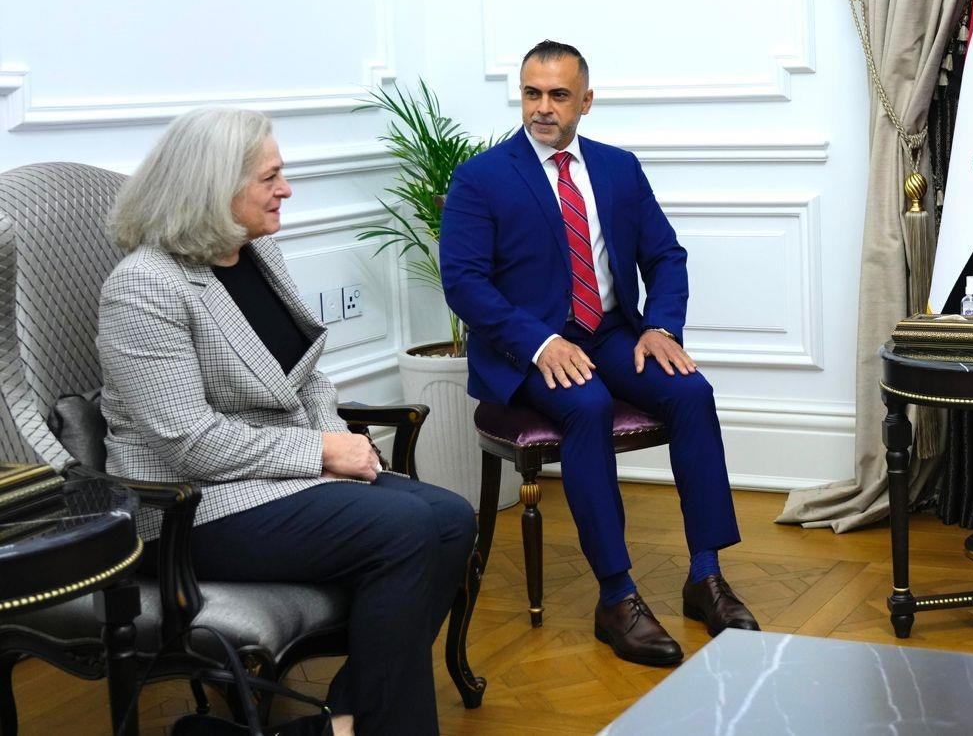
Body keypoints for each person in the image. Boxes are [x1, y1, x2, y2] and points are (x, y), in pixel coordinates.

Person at [98, 107, 476, 736]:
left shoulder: (256, 252)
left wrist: (337, 439)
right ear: (214, 188)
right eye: (269, 177)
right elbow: (190, 441)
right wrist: (321, 452)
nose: (287, 189)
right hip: (190, 509)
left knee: (452, 518)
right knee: (408, 526)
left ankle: (345, 722)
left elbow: (308, 375)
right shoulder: (144, 287)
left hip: (275, 478)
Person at [440, 40, 756, 667]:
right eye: (532, 93)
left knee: (691, 392)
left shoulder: (618, 168)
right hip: (529, 347)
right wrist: (538, 342)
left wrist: (660, 326)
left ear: (585, 101)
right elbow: (465, 283)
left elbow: (665, 256)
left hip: (611, 334)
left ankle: (705, 576)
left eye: (558, 95)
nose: (543, 107)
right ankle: (616, 597)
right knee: (586, 404)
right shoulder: (482, 177)